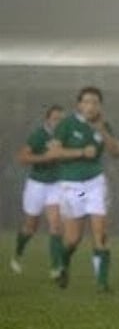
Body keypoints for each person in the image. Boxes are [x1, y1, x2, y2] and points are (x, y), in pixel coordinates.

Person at [52, 86, 119, 290]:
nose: (91, 106)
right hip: (72, 186)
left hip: (95, 184)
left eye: (95, 102)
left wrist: (102, 130)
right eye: (86, 102)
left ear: (99, 106)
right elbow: (55, 152)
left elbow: (118, 152)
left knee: (100, 232)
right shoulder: (67, 124)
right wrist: (81, 152)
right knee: (73, 239)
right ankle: (63, 264)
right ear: (79, 104)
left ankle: (102, 283)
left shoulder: (103, 125)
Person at [10, 104, 66, 279]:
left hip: (57, 185)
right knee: (30, 226)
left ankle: (56, 268)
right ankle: (17, 254)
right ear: (47, 119)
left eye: (61, 119)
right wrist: (45, 157)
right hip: (37, 185)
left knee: (56, 223)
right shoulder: (38, 135)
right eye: (55, 118)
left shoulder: (66, 136)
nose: (58, 122)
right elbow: (22, 157)